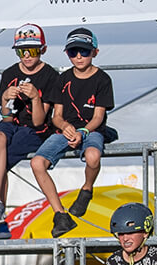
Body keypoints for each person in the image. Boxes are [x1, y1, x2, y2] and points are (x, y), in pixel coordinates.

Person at [0, 24, 61, 240]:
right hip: (13, 124)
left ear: (43, 49)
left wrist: (34, 98)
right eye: (21, 51)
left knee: (0, 161)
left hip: (35, 129)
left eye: (32, 51)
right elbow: (5, 116)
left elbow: (40, 121)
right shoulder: (9, 73)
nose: (26, 56)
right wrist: (5, 98)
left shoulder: (51, 75)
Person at [32, 27, 113, 236]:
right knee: (36, 162)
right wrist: (66, 127)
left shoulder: (103, 79)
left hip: (91, 129)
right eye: (73, 52)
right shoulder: (62, 79)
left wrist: (82, 131)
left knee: (93, 155)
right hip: (64, 131)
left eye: (84, 51)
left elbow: (98, 117)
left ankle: (86, 189)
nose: (78, 57)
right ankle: (60, 215)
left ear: (95, 52)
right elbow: (56, 116)